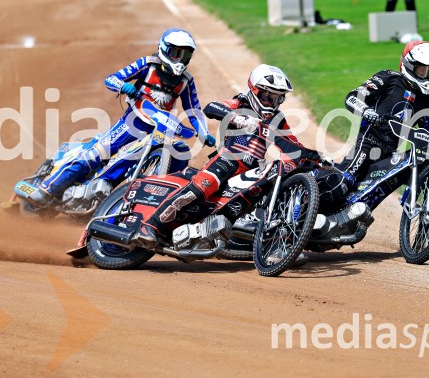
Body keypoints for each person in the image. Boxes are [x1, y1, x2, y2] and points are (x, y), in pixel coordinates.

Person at [25, 29, 216, 207]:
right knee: (94, 155)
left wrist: (203, 132)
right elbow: (112, 79)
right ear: (165, 50)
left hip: (158, 129)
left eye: (186, 55)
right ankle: (47, 189)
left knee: (125, 168)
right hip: (131, 123)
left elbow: (194, 109)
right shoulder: (148, 65)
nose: (181, 59)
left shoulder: (186, 81)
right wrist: (124, 86)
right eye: (176, 53)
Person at [135, 64, 319, 248]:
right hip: (228, 160)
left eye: (278, 98)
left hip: (253, 170)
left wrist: (316, 159)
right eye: (268, 96)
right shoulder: (241, 104)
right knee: (201, 188)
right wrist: (238, 118)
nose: (273, 102)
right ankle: (151, 226)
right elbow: (212, 107)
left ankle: (275, 244)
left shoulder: (277, 119)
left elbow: (293, 145)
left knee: (275, 184)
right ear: (254, 90)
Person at [318, 40, 429, 255]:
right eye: (422, 69)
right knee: (346, 181)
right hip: (368, 145)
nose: (427, 76)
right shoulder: (388, 78)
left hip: (390, 155)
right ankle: (300, 221)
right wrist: (367, 111)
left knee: (426, 172)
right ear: (408, 65)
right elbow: (353, 97)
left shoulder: (426, 99)